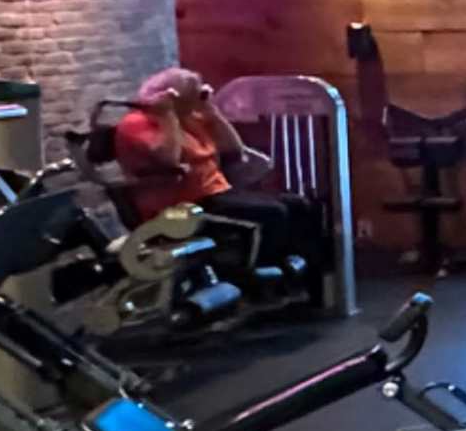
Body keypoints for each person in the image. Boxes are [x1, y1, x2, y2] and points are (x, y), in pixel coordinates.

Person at [111, 68, 322, 287]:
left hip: (216, 193)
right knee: (273, 213)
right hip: (183, 206)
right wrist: (168, 117)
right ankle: (259, 279)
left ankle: (306, 280)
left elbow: (234, 149)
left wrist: (211, 111)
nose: (194, 103)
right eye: (190, 97)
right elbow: (169, 160)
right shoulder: (136, 123)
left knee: (299, 205)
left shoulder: (190, 116)